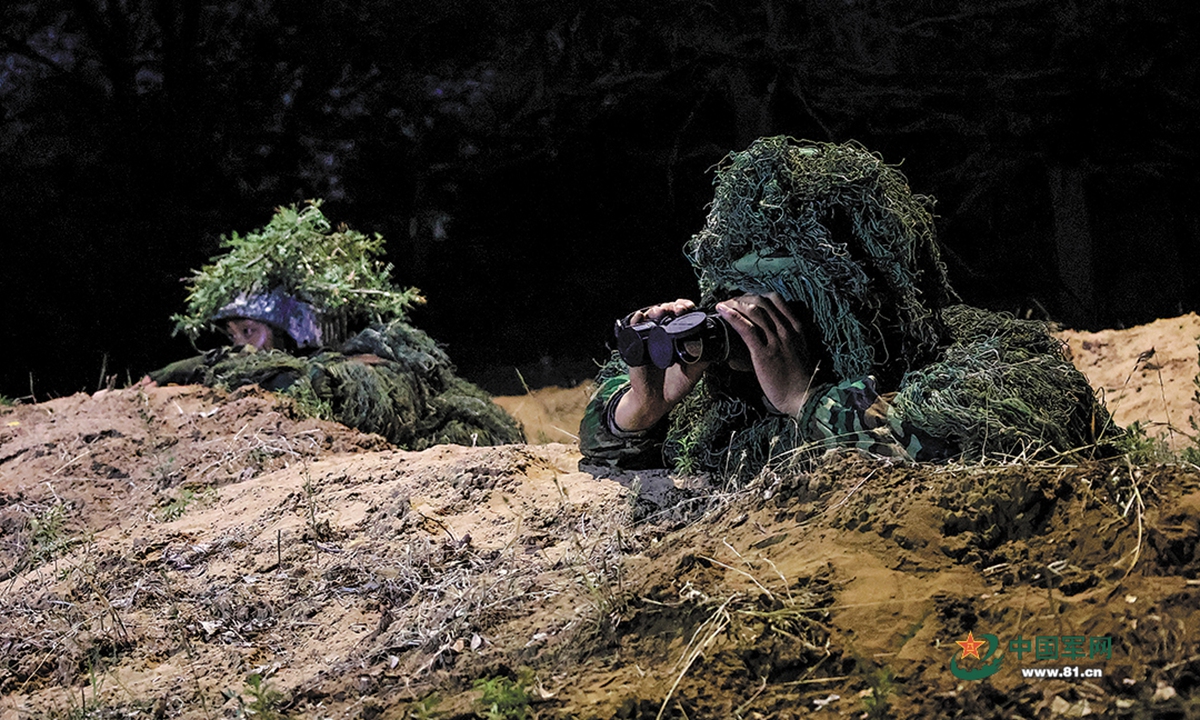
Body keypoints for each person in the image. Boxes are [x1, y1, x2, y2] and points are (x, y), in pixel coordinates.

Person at [580, 137, 1116, 476]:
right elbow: (600, 448)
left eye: (783, 298)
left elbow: (970, 440)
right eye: (729, 292)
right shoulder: (723, 400)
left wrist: (805, 400)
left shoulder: (971, 359)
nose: (742, 316)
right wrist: (643, 408)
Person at [144, 201, 524, 451]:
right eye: (235, 335)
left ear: (291, 331)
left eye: (250, 331)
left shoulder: (336, 374)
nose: (245, 347)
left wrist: (170, 373)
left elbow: (253, 372)